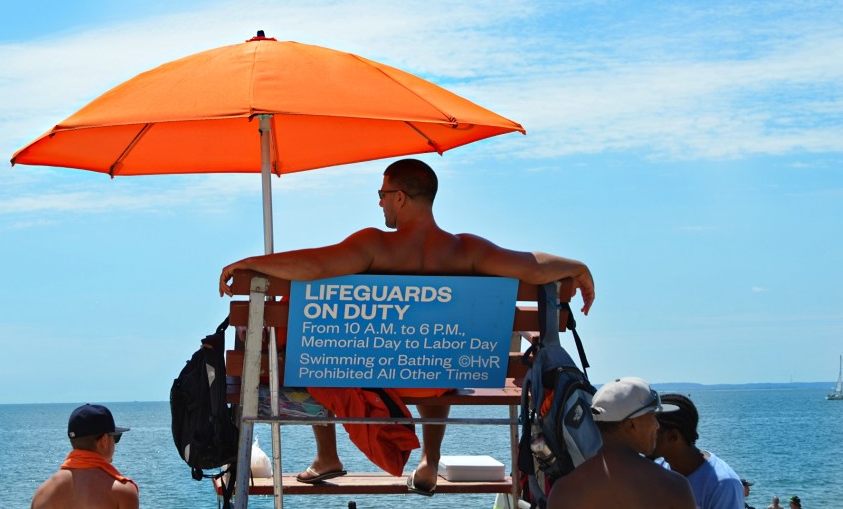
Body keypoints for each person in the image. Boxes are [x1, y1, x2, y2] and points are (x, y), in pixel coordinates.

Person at [219, 158, 595, 494]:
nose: (380, 203)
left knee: (316, 341)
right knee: (438, 352)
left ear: (399, 197)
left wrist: (250, 263)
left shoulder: (375, 246)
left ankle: (327, 455)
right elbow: (531, 265)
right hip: (441, 377)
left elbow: (314, 266)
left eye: (382, 194)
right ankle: (430, 460)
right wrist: (578, 267)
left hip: (378, 375)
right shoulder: (466, 250)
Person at [546, 377, 696, 509]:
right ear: (632, 425)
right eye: (652, 417)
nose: (657, 425)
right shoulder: (674, 487)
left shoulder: (563, 491)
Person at [31, 403, 139, 509]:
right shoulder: (122, 491)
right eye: (115, 438)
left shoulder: (41, 493)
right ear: (105, 440)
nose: (115, 443)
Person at [650, 393, 744, 509]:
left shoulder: (723, 484)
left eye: (651, 428)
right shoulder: (657, 471)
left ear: (673, 436)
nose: (643, 433)